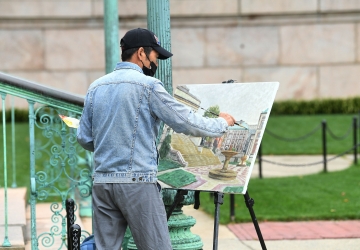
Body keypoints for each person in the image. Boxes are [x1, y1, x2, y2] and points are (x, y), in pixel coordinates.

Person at [77, 28, 236, 250]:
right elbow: (186, 122)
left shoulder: (96, 87)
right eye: (155, 56)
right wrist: (221, 123)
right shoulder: (148, 86)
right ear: (141, 53)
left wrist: (110, 144)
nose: (157, 63)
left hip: (103, 183)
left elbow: (84, 138)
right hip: (137, 183)